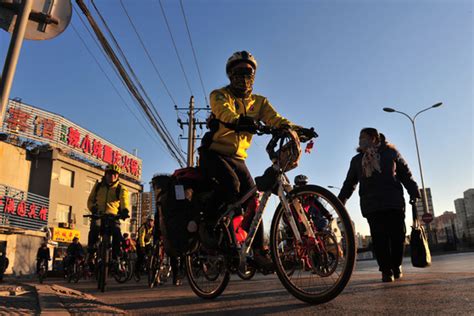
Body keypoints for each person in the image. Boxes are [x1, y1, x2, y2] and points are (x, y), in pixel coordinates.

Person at [199, 50, 300, 271]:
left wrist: (295, 129)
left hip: (237, 158)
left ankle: (258, 251)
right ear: (230, 75)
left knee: (253, 199)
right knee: (232, 186)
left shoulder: (260, 102)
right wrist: (238, 121)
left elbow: (275, 118)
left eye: (248, 72)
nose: (243, 76)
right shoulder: (219, 94)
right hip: (213, 153)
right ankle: (208, 224)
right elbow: (223, 112)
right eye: (238, 72)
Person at [337, 128, 420, 282]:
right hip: (372, 205)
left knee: (398, 236)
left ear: (374, 138)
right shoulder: (357, 160)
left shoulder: (391, 153)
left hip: (393, 202)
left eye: (364, 137)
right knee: (379, 238)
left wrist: (413, 190)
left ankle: (396, 265)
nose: (360, 140)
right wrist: (340, 201)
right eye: (359, 137)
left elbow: (405, 173)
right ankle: (386, 270)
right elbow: (349, 183)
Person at [87, 164, 130, 263]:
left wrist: (125, 210)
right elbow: (90, 200)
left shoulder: (121, 188)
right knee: (95, 227)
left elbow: (124, 200)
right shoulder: (98, 186)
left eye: (115, 174)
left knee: (117, 232)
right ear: (105, 174)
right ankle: (91, 253)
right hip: (99, 214)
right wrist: (93, 208)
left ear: (118, 176)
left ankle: (116, 258)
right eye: (110, 174)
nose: (112, 176)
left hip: (113, 216)